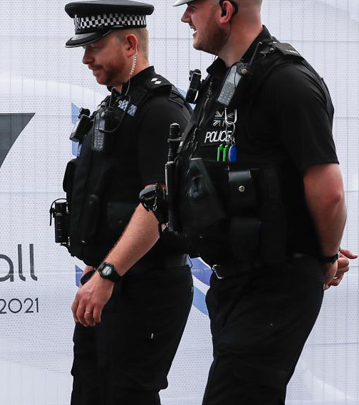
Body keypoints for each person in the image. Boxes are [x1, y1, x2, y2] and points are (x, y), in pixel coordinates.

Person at [167, 0, 356, 403]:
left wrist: (323, 258)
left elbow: (329, 191)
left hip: (275, 285)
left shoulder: (287, 80)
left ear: (225, 9)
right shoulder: (222, 81)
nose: (185, 17)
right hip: (233, 283)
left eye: (193, 6)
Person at [54, 1, 194, 404]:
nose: (86, 58)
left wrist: (108, 273)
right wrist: (96, 267)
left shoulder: (161, 109)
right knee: (90, 391)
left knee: (126, 394)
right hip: (109, 281)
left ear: (130, 43)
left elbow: (158, 207)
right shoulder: (113, 104)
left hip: (144, 286)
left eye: (94, 46)